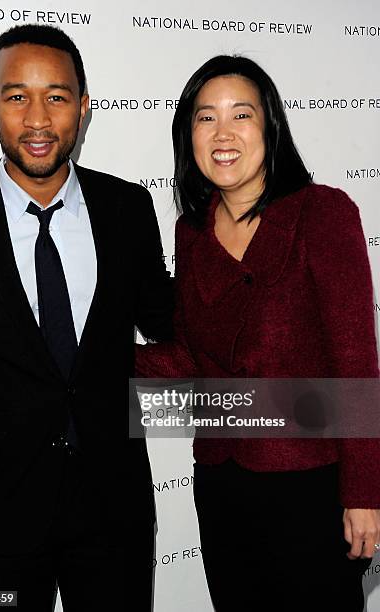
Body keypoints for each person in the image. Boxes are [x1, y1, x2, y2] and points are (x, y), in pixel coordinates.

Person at [136, 55, 380, 611]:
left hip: (312, 486)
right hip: (222, 482)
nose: (223, 133)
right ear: (187, 133)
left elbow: (356, 361)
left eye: (240, 114)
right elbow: (191, 362)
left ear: (270, 126)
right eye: (205, 118)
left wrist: (364, 493)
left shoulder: (322, 212)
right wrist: (95, 354)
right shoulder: (191, 231)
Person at [0, 24, 173, 611]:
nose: (38, 118)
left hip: (111, 514)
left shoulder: (127, 208)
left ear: (84, 106)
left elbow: (172, 324)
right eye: (17, 96)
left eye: (57, 95)